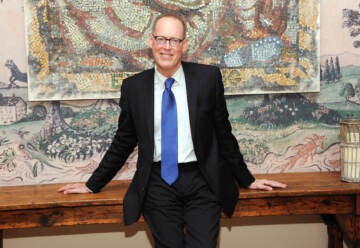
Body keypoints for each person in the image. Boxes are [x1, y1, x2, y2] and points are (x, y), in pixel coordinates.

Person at [58, 13, 287, 248]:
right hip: (157, 184)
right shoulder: (134, 87)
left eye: (174, 41)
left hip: (202, 181)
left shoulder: (207, 79)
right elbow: (123, 141)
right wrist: (91, 184)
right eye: (161, 39)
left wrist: (247, 180)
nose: (167, 47)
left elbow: (224, 135)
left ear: (184, 45)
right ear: (151, 41)